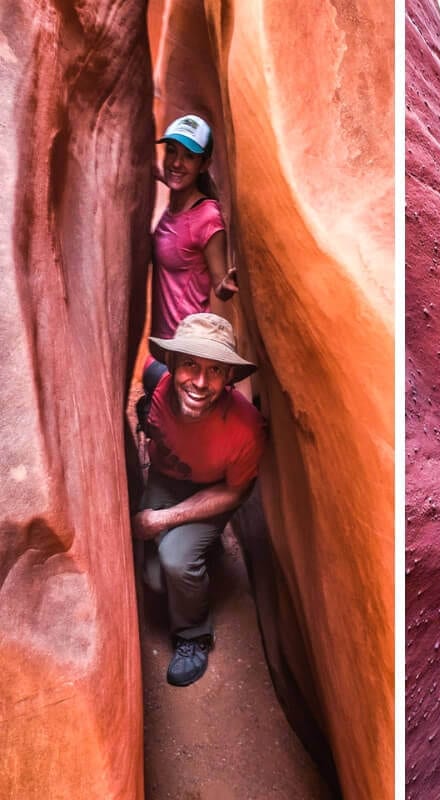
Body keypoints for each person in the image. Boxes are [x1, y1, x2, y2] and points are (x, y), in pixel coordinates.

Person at [132, 312, 266, 687]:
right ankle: (200, 553)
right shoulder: (158, 386)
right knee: (155, 578)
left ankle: (193, 636)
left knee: (174, 559)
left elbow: (235, 491)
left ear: (228, 379)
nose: (200, 382)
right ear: (172, 364)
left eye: (216, 370)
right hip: (167, 478)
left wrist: (164, 519)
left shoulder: (245, 429)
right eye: (190, 364)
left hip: (214, 492)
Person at [145, 114, 239, 391]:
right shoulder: (175, 200)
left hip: (188, 352)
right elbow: (171, 174)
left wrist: (227, 284)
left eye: (188, 156)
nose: (176, 162)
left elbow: (219, 285)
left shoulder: (207, 216)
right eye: (171, 150)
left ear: (204, 165)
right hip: (162, 347)